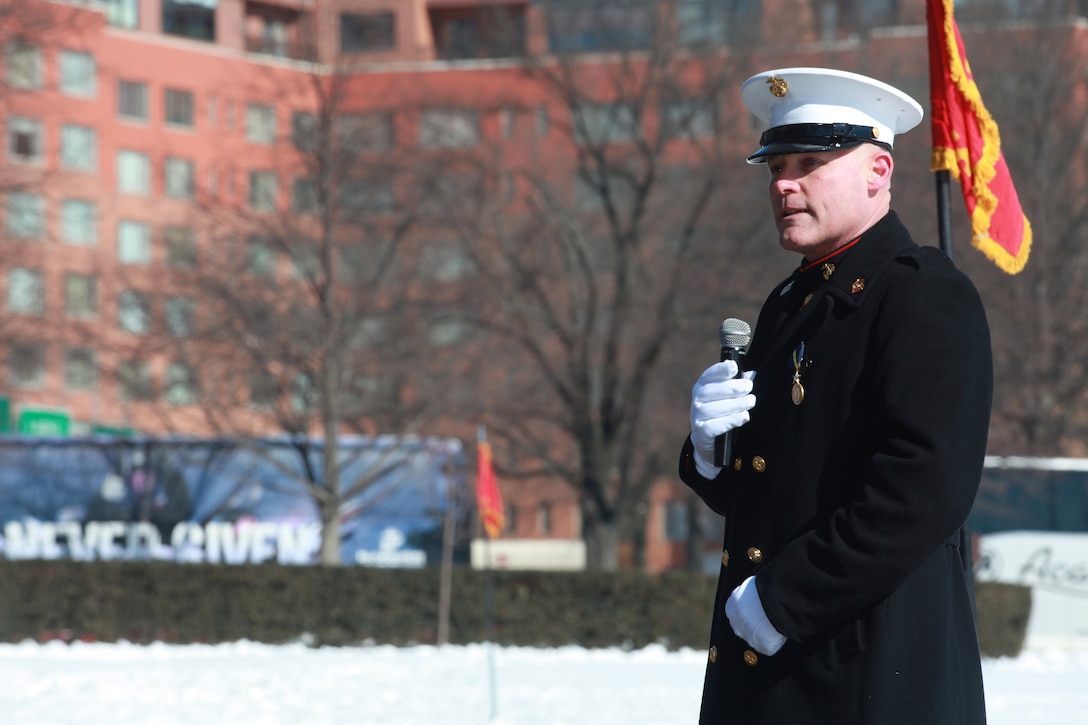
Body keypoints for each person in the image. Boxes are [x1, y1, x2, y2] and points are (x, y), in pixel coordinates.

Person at [680, 67, 992, 724]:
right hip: (778, 677)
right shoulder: (793, 302)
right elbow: (775, 491)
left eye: (811, 162)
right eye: (775, 167)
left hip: (868, 679)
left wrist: (784, 599)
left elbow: (921, 491)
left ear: (878, 171)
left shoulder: (920, 293)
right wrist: (712, 454)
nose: (784, 183)